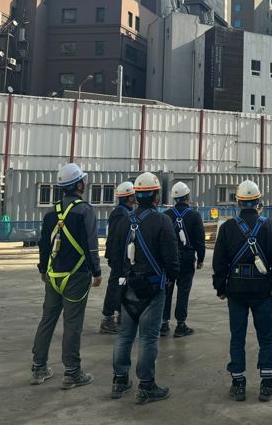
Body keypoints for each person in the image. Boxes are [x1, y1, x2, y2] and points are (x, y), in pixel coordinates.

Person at [110, 171, 180, 404]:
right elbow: (171, 257)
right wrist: (171, 277)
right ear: (157, 197)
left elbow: (116, 255)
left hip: (128, 286)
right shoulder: (162, 221)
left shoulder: (123, 221)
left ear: (137, 196)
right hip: (152, 288)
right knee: (148, 338)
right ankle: (146, 386)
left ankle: (119, 380)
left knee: (124, 335)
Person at [212, 180, 272, 402]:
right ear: (258, 202)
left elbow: (219, 261)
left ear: (239, 202)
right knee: (265, 336)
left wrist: (220, 287)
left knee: (238, 336)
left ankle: (238, 384)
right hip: (261, 289)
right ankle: (267, 383)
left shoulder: (227, 228)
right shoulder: (269, 226)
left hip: (235, 289)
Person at [31, 163, 102, 389]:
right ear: (79, 184)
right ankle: (72, 372)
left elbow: (44, 244)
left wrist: (43, 269)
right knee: (73, 324)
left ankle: (38, 367)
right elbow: (91, 247)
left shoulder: (51, 212)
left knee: (47, 320)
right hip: (77, 276)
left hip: (53, 275)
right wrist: (97, 271)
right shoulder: (85, 211)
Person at [161, 181, 206, 337]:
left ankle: (163, 323)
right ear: (187, 197)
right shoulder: (194, 215)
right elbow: (199, 239)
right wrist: (200, 258)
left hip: (169, 259)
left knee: (167, 290)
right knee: (183, 290)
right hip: (187, 258)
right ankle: (181, 325)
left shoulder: (166, 215)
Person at [100, 181, 136, 334]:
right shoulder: (121, 214)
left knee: (123, 286)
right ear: (129, 197)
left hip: (122, 257)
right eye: (133, 195)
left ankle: (119, 314)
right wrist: (117, 260)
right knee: (115, 286)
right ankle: (107, 319)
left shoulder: (124, 212)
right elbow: (115, 239)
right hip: (119, 258)